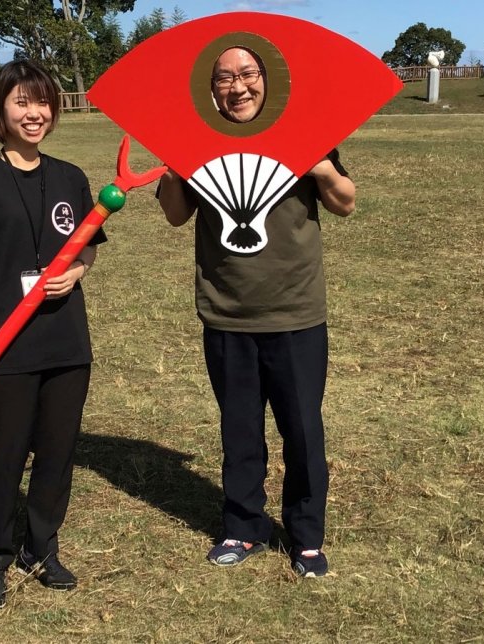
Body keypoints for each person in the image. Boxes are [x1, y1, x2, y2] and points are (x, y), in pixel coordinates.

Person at [157, 46, 356, 578]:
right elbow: (176, 216)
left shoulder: (305, 129)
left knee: (302, 429)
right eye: (224, 78)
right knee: (239, 428)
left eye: (247, 75)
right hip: (226, 311)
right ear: (212, 88)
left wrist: (320, 167)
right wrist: (174, 172)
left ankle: (306, 535)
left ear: (266, 81)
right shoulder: (194, 138)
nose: (237, 87)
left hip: (295, 310)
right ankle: (243, 526)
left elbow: (346, 202)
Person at [0, 60, 106, 610]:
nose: (34, 114)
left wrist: (74, 274)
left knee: (57, 452)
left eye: (43, 103)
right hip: (2, 345)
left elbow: (87, 245)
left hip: (65, 344)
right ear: (1, 110)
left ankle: (42, 546)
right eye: (21, 103)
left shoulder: (71, 177)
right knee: (2, 452)